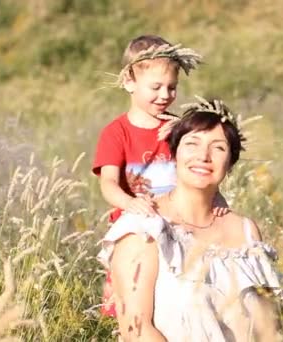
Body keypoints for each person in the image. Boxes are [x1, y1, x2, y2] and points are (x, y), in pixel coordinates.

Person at [98, 99, 283, 341]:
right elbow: (137, 330)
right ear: (174, 154)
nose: (203, 156)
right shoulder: (144, 226)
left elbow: (267, 329)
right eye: (192, 143)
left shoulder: (246, 231)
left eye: (218, 148)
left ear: (230, 163)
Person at [92, 35, 211, 316]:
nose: (165, 95)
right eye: (155, 87)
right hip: (137, 229)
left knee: (180, 302)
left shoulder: (179, 128)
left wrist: (185, 134)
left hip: (180, 226)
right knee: (132, 303)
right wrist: (130, 203)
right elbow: (108, 183)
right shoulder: (116, 132)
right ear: (129, 82)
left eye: (172, 88)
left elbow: (203, 170)